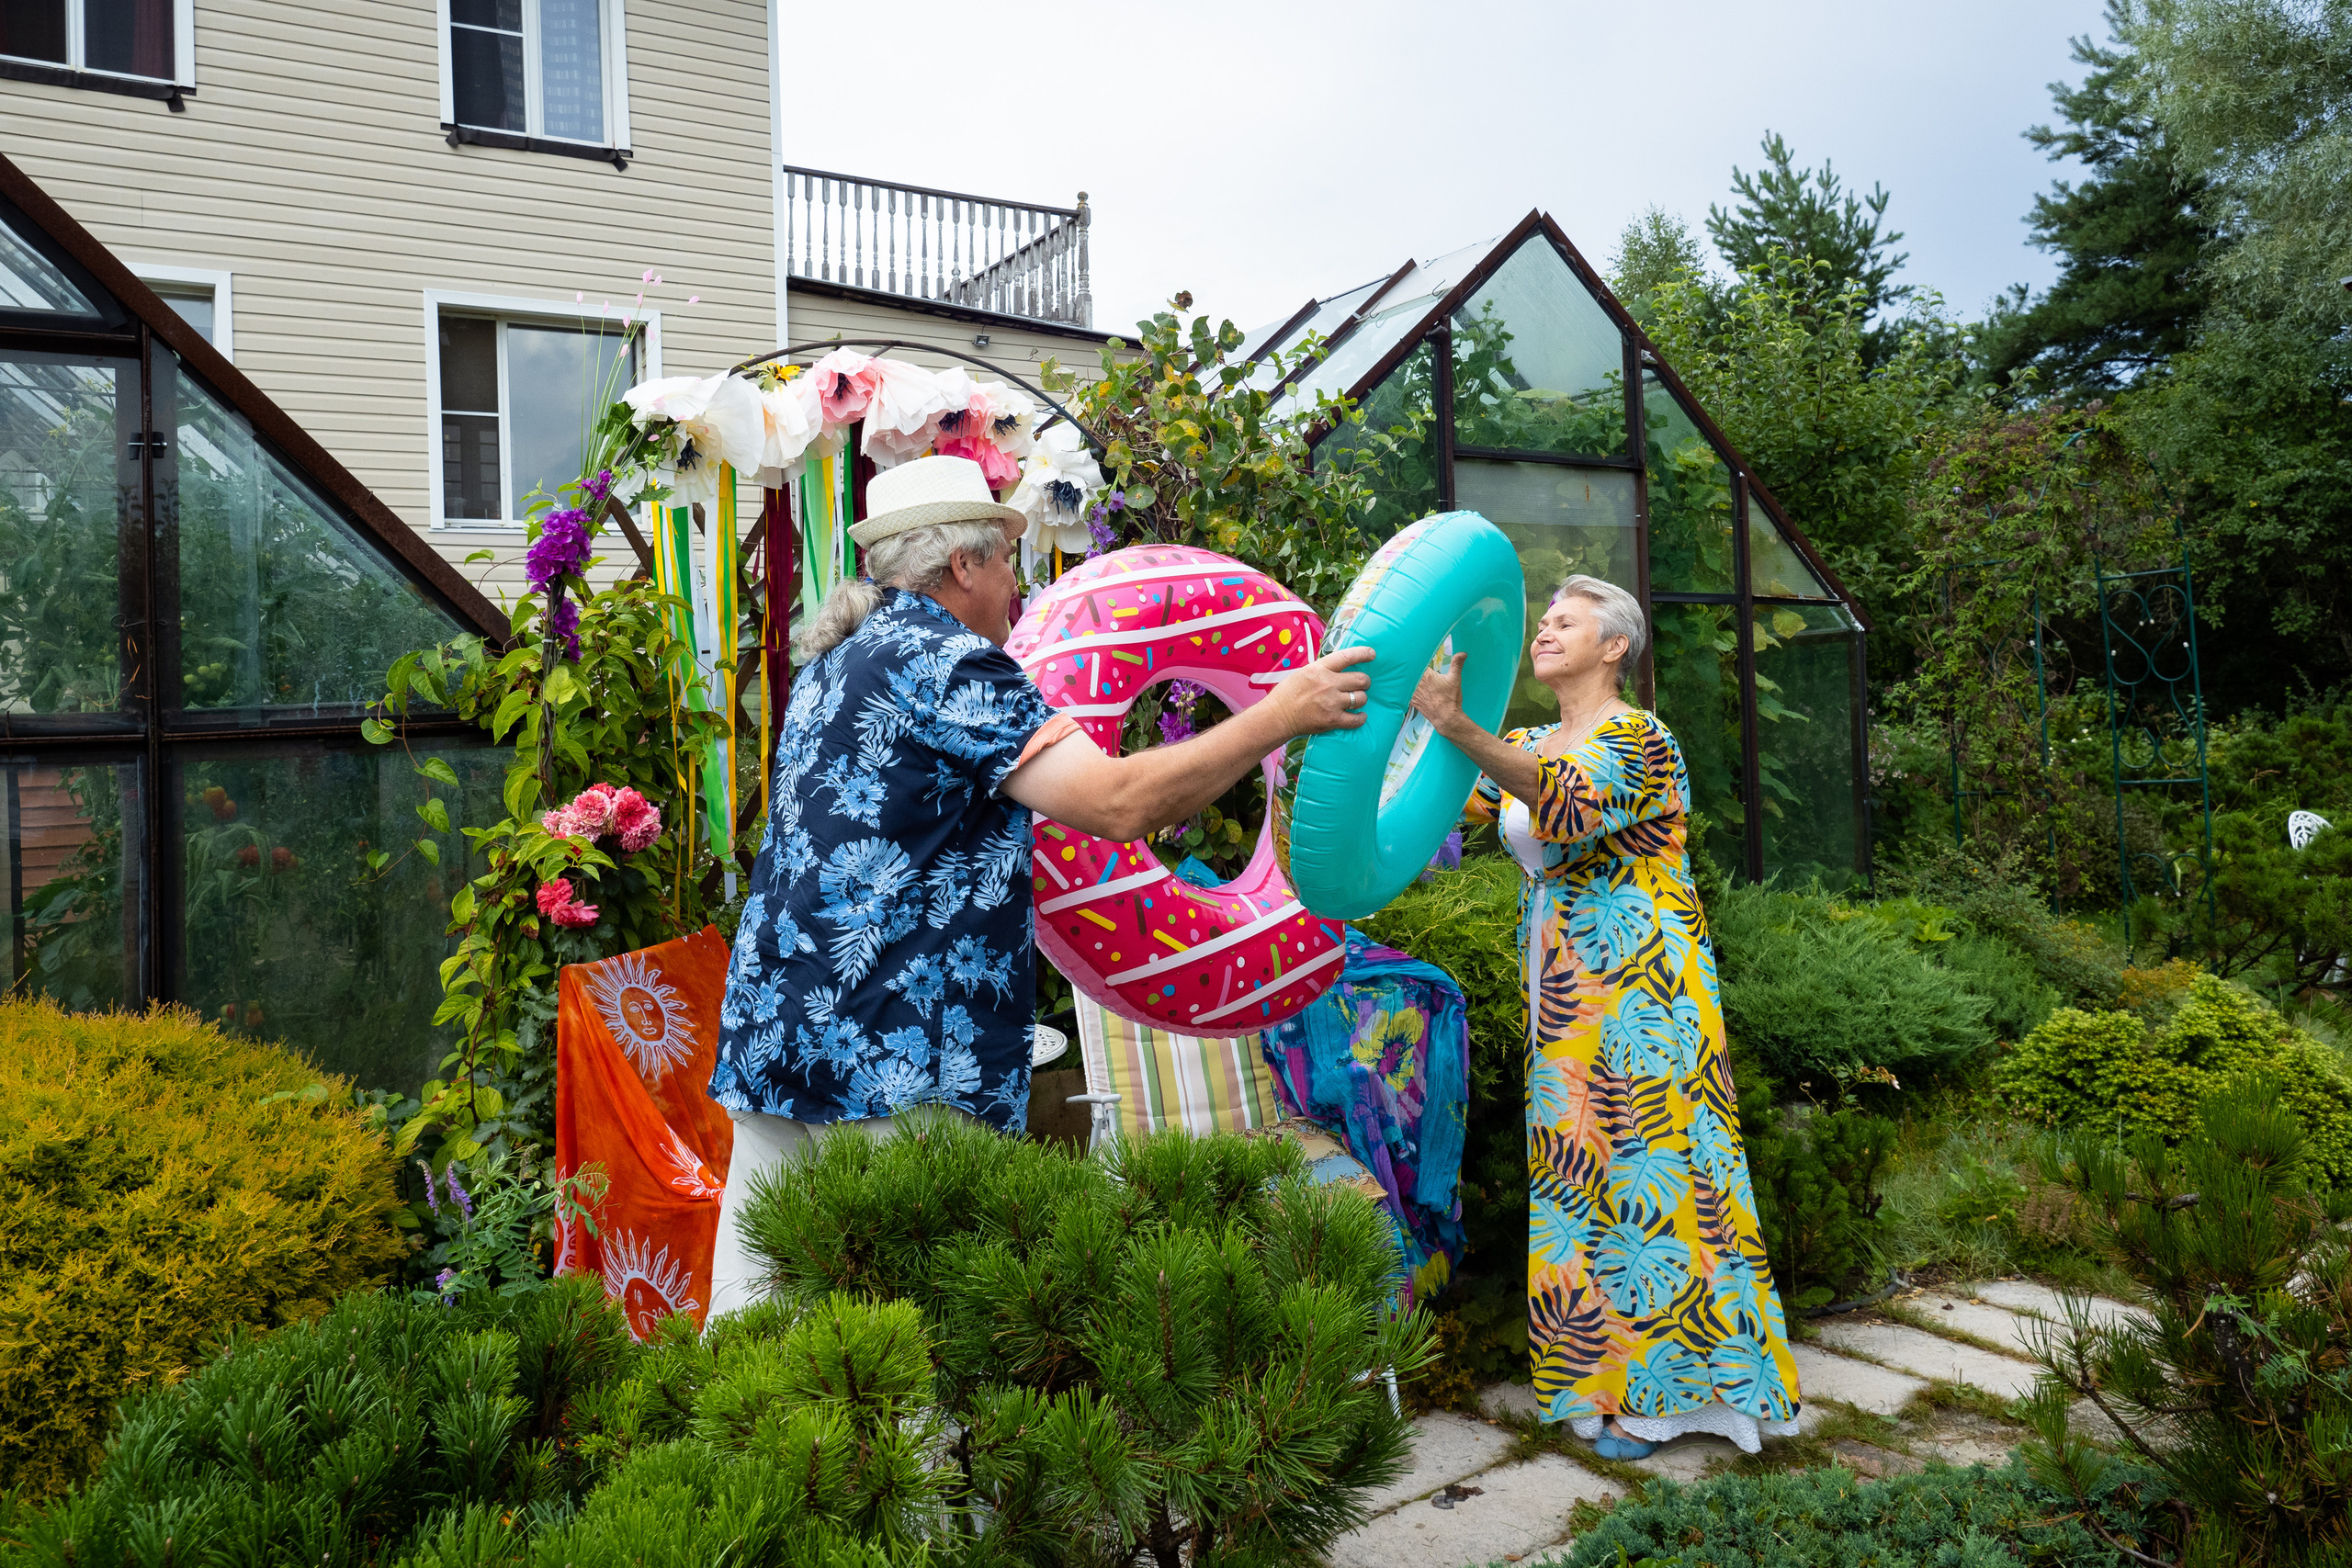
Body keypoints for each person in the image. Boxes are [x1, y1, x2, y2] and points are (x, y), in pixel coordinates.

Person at [706, 454, 1372, 1315]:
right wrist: (1282, 714)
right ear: (963, 565)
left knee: (756, 1318)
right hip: (900, 1063)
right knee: (920, 1349)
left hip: (775, 1037)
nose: (1016, 589)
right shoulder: (950, 664)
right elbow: (1118, 803)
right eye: (1007, 562)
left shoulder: (836, 663)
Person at [1410, 574, 1799, 1460]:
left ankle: (1669, 1400)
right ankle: (1598, 1382)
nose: (1544, 631)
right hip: (1565, 995)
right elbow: (1453, 791)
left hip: (1646, 996)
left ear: (1614, 646)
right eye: (1542, 620)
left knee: (1649, 1174)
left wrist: (1457, 724)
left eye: (1565, 621)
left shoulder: (1638, 737)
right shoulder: (1533, 735)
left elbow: (1565, 799)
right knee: (1581, 1173)